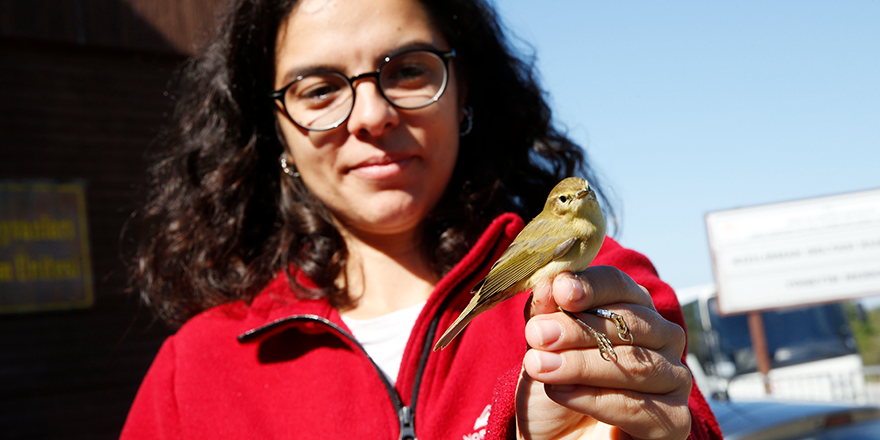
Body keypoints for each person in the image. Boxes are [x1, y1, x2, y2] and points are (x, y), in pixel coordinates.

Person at [122, 0, 723, 438]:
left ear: (465, 93)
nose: (372, 114)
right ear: (274, 129)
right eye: (319, 88)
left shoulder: (613, 285)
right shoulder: (191, 372)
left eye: (407, 70)